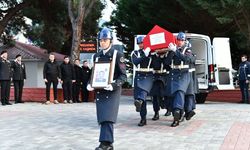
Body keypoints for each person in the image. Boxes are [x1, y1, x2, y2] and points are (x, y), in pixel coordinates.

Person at [87, 27, 126, 150]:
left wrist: (113, 85)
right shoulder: (96, 56)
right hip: (100, 90)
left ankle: (105, 143)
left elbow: (123, 76)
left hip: (112, 91)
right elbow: (93, 73)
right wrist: (90, 83)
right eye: (101, 40)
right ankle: (107, 143)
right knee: (103, 117)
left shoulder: (117, 55)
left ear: (110, 41)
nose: (102, 42)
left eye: (105, 40)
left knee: (108, 117)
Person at [167, 32, 196, 127]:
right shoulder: (172, 50)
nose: (180, 42)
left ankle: (177, 114)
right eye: (178, 40)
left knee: (180, 92)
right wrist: (170, 51)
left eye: (182, 40)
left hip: (183, 74)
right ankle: (179, 113)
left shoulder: (187, 50)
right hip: (173, 74)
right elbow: (167, 62)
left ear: (184, 41)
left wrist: (175, 50)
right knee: (174, 95)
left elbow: (186, 59)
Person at [131, 36, 153, 126]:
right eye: (139, 43)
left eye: (142, 43)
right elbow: (136, 62)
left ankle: (145, 116)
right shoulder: (135, 53)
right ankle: (143, 118)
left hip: (148, 75)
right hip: (139, 75)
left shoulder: (151, 52)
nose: (141, 45)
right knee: (140, 100)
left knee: (143, 93)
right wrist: (144, 54)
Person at [149, 51, 167, 121]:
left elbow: (167, 64)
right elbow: (156, 66)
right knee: (155, 96)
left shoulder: (167, 55)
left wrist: (164, 57)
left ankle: (168, 109)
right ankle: (156, 112)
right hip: (156, 77)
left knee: (165, 95)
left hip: (165, 76)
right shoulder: (153, 56)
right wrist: (157, 56)